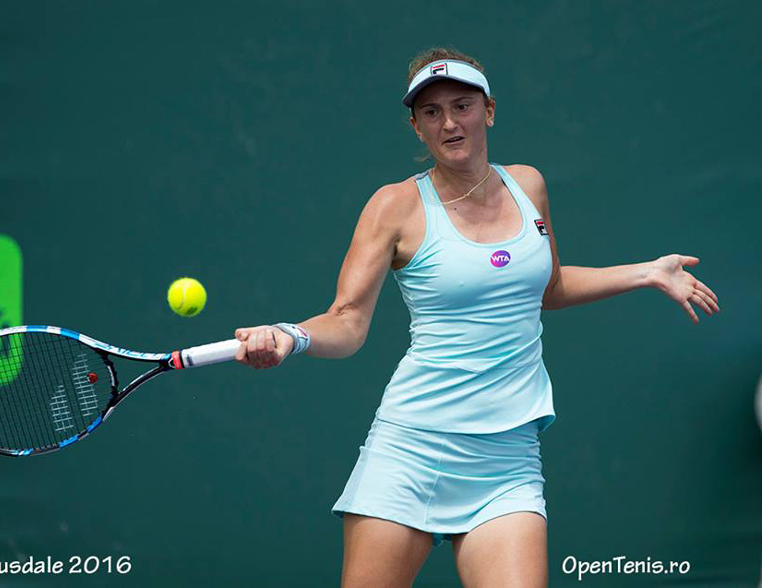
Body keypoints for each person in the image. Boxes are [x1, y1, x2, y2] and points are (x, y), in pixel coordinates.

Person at [233, 48, 721, 588]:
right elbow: (347, 321)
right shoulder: (393, 207)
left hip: (507, 460)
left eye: (461, 106)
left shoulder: (528, 186)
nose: (449, 122)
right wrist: (291, 336)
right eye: (431, 112)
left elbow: (547, 288)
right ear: (417, 127)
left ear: (488, 110)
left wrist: (647, 272)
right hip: (411, 450)